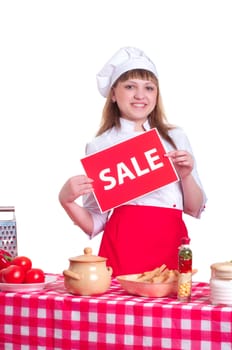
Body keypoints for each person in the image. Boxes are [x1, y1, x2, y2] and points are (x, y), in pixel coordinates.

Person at [59, 47, 207, 277]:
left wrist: (186, 174)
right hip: (122, 248)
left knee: (169, 311)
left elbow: (194, 207)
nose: (140, 95)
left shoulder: (175, 137)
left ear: (156, 95)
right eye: (130, 87)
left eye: (149, 88)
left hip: (171, 244)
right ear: (114, 94)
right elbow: (95, 221)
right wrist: (66, 200)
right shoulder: (100, 145)